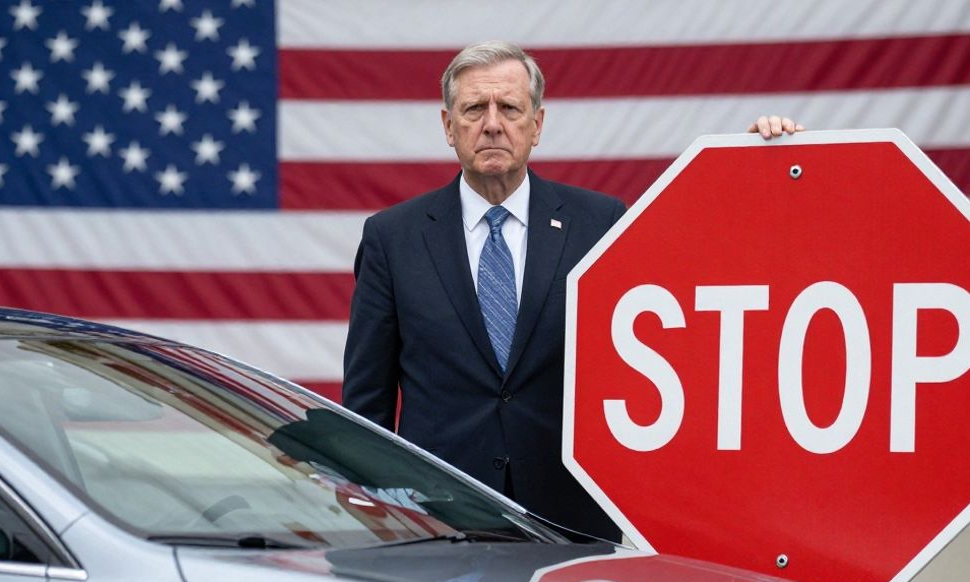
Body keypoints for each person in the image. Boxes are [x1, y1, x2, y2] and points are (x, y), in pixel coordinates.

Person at [343, 40, 801, 541]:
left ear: (536, 125)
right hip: (437, 523)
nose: (492, 124)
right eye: (474, 109)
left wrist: (760, 171)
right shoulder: (393, 237)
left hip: (571, 523)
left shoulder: (599, 223)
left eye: (509, 108)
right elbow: (367, 405)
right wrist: (378, 519)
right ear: (448, 126)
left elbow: (693, 298)